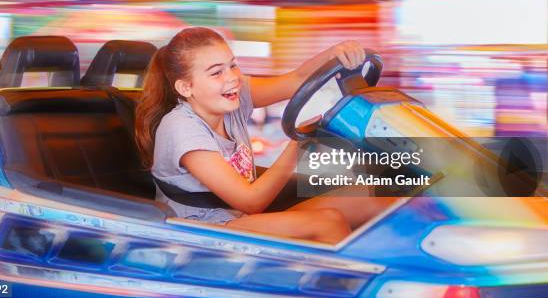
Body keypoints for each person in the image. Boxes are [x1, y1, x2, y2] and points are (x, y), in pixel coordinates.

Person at [136, 27, 391, 245]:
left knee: (375, 197)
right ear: (185, 87)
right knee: (329, 223)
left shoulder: (229, 98)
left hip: (241, 220)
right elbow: (251, 201)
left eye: (232, 65)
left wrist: (337, 53)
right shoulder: (181, 128)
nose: (233, 78)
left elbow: (298, 79)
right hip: (202, 235)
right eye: (216, 72)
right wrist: (300, 144)